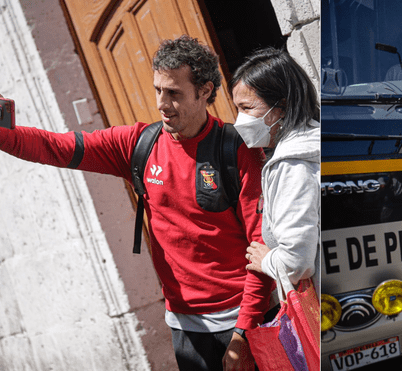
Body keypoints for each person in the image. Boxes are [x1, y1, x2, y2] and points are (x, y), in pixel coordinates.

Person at [0, 35, 273, 371]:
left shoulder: (239, 150)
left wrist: (244, 333)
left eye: (173, 92)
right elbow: (55, 146)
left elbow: (263, 247)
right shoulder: (137, 143)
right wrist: (3, 133)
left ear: (204, 91)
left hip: (243, 322)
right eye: (159, 89)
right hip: (184, 326)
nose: (162, 102)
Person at [230, 47, 320, 297]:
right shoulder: (314, 139)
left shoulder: (291, 164)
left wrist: (266, 260)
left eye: (247, 108)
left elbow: (295, 263)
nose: (240, 120)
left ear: (281, 106)